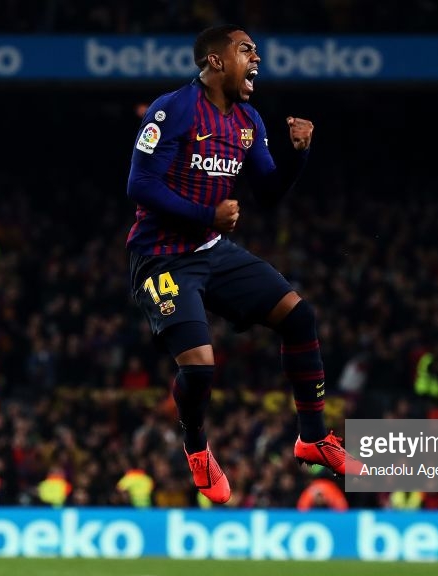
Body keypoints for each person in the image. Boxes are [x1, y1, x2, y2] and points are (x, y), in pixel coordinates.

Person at [126, 24, 361, 504]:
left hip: (211, 250)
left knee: (299, 316)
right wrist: (206, 214)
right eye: (245, 50)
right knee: (199, 369)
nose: (256, 58)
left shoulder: (248, 121)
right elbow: (140, 185)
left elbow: (269, 192)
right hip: (161, 258)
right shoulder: (173, 110)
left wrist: (299, 155)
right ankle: (196, 448)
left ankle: (313, 436)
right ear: (216, 61)